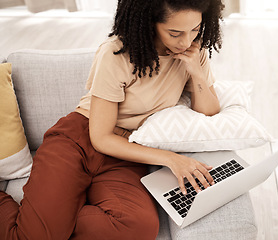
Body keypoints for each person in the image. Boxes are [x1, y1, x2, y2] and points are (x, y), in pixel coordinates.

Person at [0, 0, 224, 239]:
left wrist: (196, 72)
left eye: (195, 29)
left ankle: (53, 222)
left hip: (125, 153)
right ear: (150, 23)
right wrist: (171, 159)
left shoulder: (193, 53)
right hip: (77, 140)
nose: (186, 42)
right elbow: (101, 138)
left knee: (139, 228)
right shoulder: (117, 52)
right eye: (175, 33)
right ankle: (47, 224)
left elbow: (209, 112)